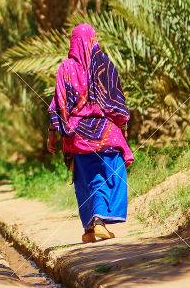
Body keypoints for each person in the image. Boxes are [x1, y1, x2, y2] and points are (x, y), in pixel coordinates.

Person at [46, 23, 133, 243]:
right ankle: (99, 222)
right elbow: (117, 102)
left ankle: (90, 229)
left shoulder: (65, 68)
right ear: (94, 40)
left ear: (73, 42)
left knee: (85, 180)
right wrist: (121, 128)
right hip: (106, 132)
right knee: (108, 175)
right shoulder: (104, 65)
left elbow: (59, 103)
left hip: (77, 134)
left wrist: (54, 132)